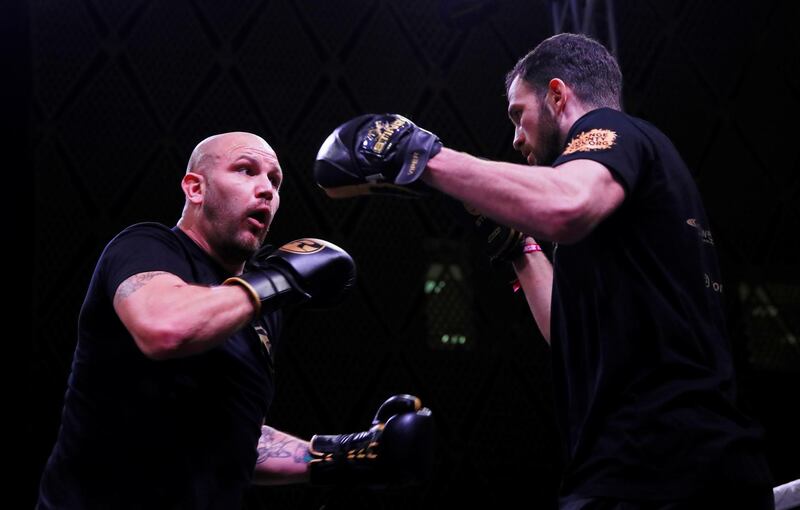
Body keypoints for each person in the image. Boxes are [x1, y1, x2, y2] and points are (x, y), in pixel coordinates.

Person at [313, 33, 774, 509]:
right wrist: (519, 248)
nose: (515, 137)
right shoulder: (618, 201)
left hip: (667, 466)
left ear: (557, 95)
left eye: (518, 114)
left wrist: (420, 155)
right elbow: (571, 334)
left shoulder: (611, 131)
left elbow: (566, 204)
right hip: (642, 464)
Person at [38, 131, 433, 509]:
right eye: (246, 170)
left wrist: (346, 454)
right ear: (196, 188)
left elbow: (237, 438)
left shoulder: (259, 311)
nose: (267, 189)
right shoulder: (146, 248)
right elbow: (164, 328)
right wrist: (278, 279)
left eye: (275, 181)